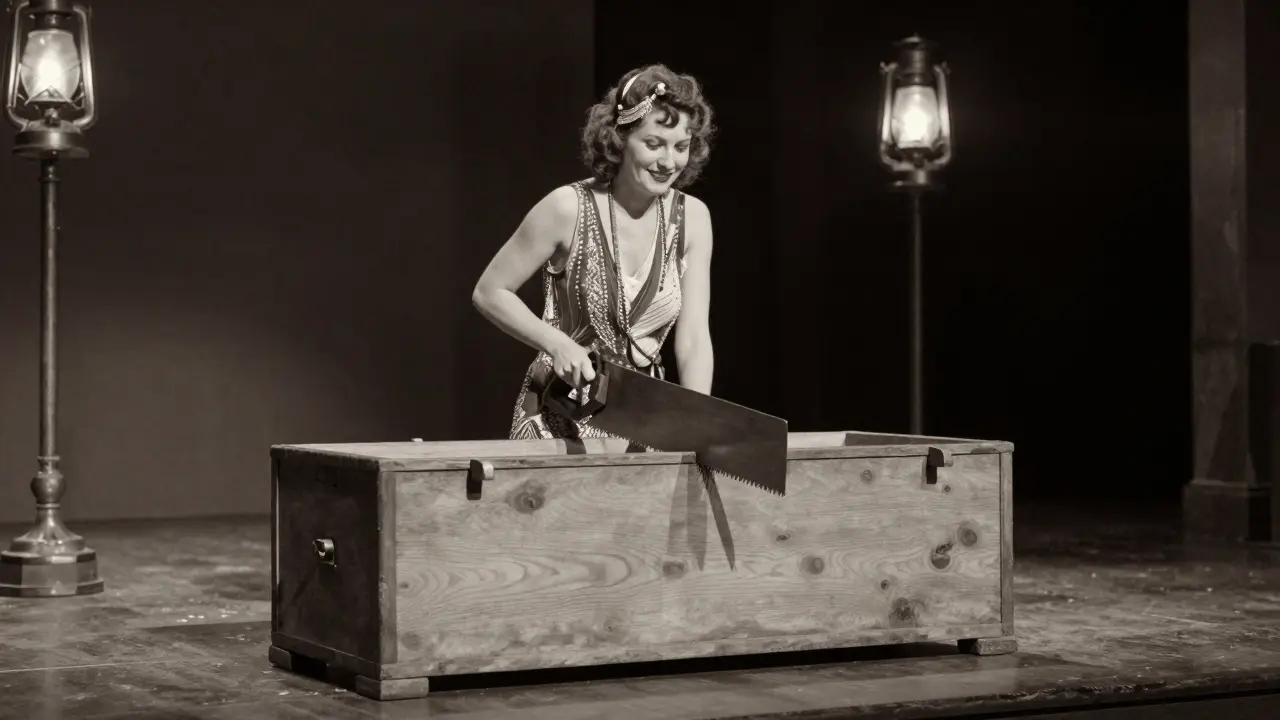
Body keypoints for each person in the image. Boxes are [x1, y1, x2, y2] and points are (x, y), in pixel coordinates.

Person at [472, 64, 717, 441]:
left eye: (680, 147)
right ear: (620, 139)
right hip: (559, 415)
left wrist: (699, 422)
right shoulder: (567, 208)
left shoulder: (693, 218)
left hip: (643, 420)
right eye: (654, 144)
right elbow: (490, 292)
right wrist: (557, 343)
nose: (669, 161)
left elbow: (695, 336)